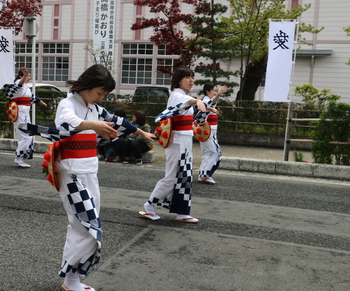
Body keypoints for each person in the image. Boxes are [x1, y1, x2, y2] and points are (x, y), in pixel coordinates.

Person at [21, 64, 155, 291]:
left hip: (89, 171)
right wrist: (93, 125)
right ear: (88, 85)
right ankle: (71, 279)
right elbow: (65, 125)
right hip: (71, 172)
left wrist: (141, 132)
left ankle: (71, 278)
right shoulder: (67, 104)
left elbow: (119, 122)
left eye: (103, 95)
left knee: (83, 224)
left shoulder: (95, 109)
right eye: (99, 93)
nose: (100, 98)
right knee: (86, 224)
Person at [139, 67, 206, 223]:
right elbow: (181, 106)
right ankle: (149, 205)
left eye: (192, 77)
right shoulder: (176, 95)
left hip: (184, 140)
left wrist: (203, 105)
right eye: (187, 77)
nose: (191, 80)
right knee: (173, 176)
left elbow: (189, 108)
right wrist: (196, 101)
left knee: (184, 176)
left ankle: (182, 212)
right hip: (177, 140)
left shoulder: (182, 96)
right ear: (178, 80)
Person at [2, 67, 47, 168]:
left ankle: (21, 158)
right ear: (21, 76)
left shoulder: (26, 87)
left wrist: (41, 102)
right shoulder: (18, 82)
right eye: (27, 76)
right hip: (19, 111)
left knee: (26, 135)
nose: (29, 78)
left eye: (30, 76)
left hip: (25, 112)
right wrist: (24, 76)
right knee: (26, 135)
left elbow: (32, 97)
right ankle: (18, 158)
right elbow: (19, 84)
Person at [197, 84, 228, 184]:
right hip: (208, 131)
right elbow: (211, 102)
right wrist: (218, 94)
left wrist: (218, 94)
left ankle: (203, 175)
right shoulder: (205, 101)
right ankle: (206, 175)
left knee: (207, 154)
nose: (215, 93)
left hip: (208, 131)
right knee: (215, 153)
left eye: (216, 91)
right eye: (214, 91)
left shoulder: (207, 100)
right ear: (207, 91)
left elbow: (214, 101)